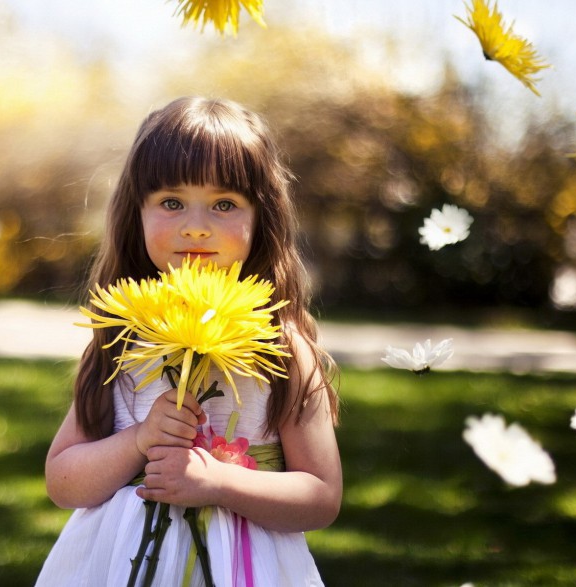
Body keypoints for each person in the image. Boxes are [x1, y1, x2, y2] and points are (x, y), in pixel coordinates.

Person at [36, 96, 342, 586]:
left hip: (242, 566)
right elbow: (63, 480)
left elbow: (321, 497)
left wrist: (219, 482)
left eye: (224, 204)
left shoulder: (280, 347)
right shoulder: (121, 338)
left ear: (260, 218)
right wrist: (139, 441)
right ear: (136, 212)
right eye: (171, 202)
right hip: (121, 564)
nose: (195, 226)